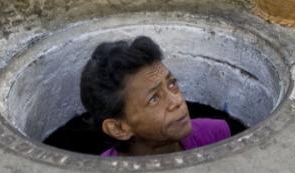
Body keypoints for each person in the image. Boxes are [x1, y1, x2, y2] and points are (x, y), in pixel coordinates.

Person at [80, 36, 231, 157]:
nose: (177, 100)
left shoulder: (215, 136)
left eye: (172, 83)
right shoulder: (100, 171)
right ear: (119, 128)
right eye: (154, 98)